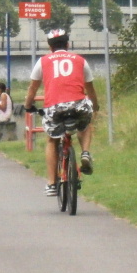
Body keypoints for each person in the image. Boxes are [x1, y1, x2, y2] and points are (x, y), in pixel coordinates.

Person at [23, 29, 100, 196]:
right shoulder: (80, 60)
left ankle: (51, 183)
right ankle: (85, 152)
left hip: (54, 108)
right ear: (67, 44)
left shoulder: (43, 61)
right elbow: (90, 89)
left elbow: (32, 89)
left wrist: (28, 105)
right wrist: (95, 106)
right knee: (85, 124)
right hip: (78, 105)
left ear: (50, 47)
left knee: (51, 140)